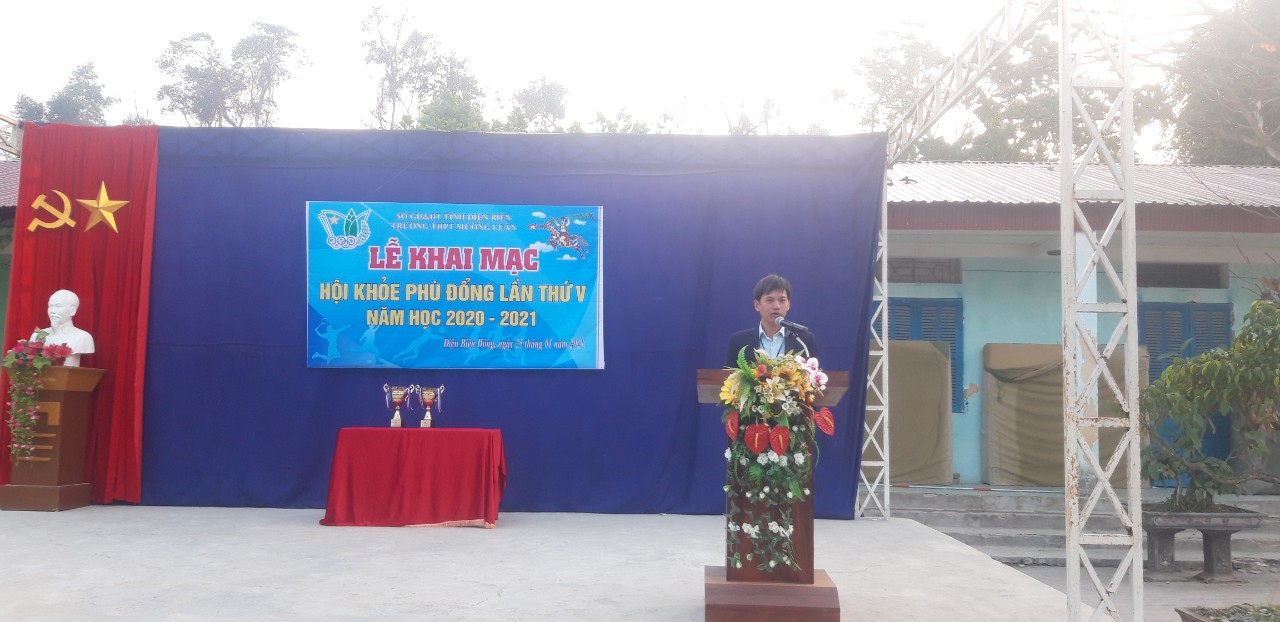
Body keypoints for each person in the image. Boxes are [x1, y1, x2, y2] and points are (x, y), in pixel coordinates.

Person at [725, 274, 818, 367]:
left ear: (788, 305)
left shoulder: (803, 340)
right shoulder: (738, 341)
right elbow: (730, 375)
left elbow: (815, 373)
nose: (776, 306)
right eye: (770, 300)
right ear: (757, 305)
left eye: (782, 300)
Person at [35, 289, 95, 367]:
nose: (52, 311)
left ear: (72, 311)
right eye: (50, 306)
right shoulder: (38, 335)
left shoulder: (83, 337)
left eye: (58, 306)